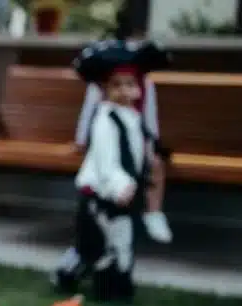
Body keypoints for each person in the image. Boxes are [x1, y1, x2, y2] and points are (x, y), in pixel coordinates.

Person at [53, 38, 171, 303]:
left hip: (124, 193)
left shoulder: (134, 118)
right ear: (105, 89)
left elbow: (138, 150)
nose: (124, 91)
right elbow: (106, 159)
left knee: (121, 241)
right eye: (116, 85)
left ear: (139, 89)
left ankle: (119, 286)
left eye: (130, 84)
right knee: (99, 244)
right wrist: (119, 183)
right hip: (101, 193)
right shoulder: (105, 119)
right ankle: (83, 278)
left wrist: (146, 171)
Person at [72, 8, 173, 244]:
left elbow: (149, 122)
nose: (126, 89)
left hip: (135, 146)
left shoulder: (146, 87)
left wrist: (152, 146)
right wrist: (80, 140)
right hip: (106, 154)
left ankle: (153, 212)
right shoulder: (101, 93)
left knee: (154, 164)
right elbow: (89, 116)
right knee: (97, 237)